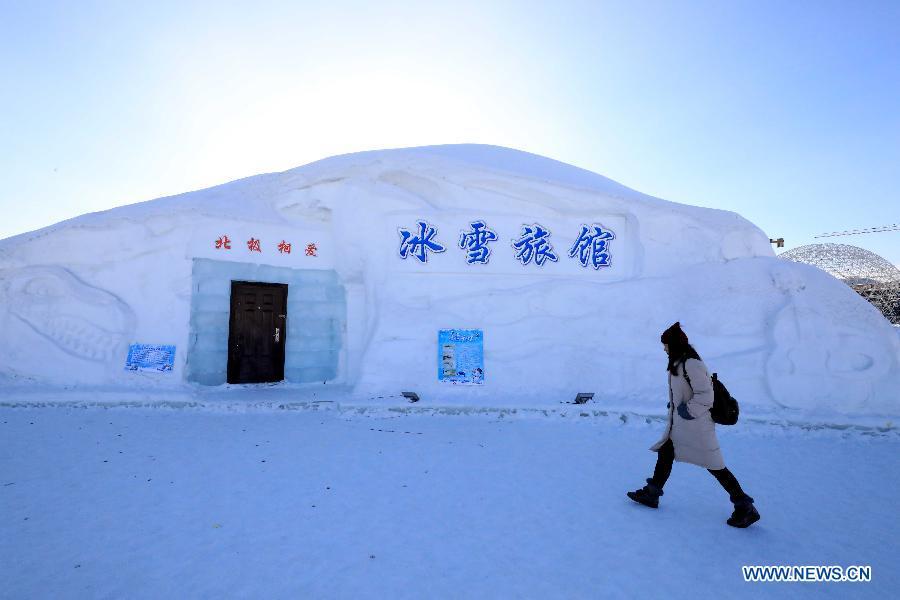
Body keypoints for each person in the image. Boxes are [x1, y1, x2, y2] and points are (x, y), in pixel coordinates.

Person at [627, 322, 760, 528]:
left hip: (696, 427)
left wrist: (687, 410)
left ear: (674, 344)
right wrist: (675, 406)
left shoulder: (692, 364)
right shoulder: (678, 362)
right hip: (681, 425)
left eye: (666, 344)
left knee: (716, 466)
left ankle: (745, 507)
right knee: (666, 452)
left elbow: (706, 396)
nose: (664, 348)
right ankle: (652, 494)